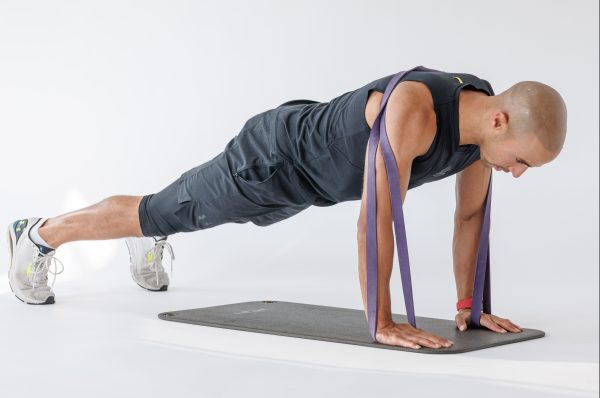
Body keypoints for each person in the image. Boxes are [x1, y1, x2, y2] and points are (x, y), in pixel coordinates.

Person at [6, 67, 567, 350]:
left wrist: (469, 306)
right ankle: (40, 233)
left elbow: (470, 218)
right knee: (161, 210)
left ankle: (148, 233)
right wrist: (381, 321)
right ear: (501, 121)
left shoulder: (482, 135)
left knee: (173, 209)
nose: (515, 173)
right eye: (520, 161)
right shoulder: (416, 110)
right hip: (273, 159)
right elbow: (375, 219)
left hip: (312, 183)